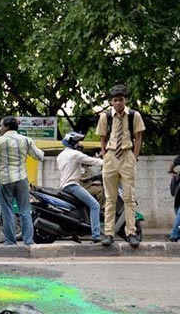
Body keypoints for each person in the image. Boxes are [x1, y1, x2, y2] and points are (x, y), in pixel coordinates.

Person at [96, 84, 145, 248]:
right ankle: (108, 233)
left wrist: (134, 157)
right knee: (110, 198)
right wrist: (104, 156)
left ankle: (131, 232)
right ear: (111, 102)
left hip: (126, 155)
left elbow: (138, 137)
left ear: (125, 100)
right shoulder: (105, 117)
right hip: (111, 156)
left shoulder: (133, 116)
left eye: (121, 100)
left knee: (129, 198)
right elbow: (102, 138)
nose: (118, 103)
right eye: (115, 100)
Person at [0, 116, 45, 246]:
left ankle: (10, 242)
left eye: (1, 125)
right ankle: (29, 241)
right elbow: (39, 156)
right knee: (25, 211)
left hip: (5, 179)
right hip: (22, 178)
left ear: (7, 127)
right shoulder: (26, 140)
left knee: (7, 211)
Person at [56, 132, 104, 243]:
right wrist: (108, 162)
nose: (78, 144)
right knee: (95, 205)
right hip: (72, 186)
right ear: (72, 143)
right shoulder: (74, 154)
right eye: (77, 142)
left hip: (64, 186)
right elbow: (93, 161)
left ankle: (77, 231)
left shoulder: (60, 156)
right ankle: (96, 235)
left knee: (82, 207)